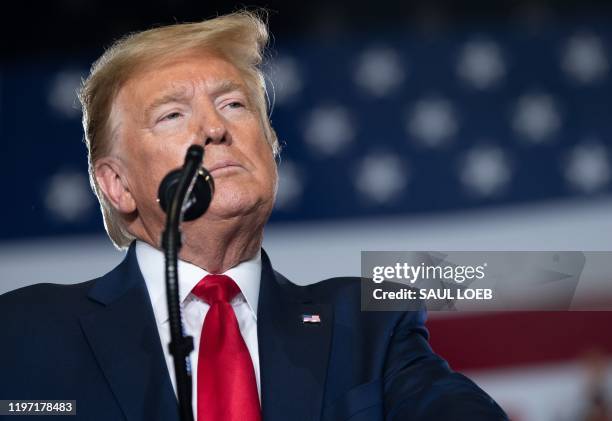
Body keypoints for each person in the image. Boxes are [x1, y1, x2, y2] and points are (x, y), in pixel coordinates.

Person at [0, 11, 507, 421]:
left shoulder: (368, 326)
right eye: (173, 114)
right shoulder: (24, 332)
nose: (215, 128)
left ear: (271, 149)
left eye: (235, 104)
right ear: (117, 184)